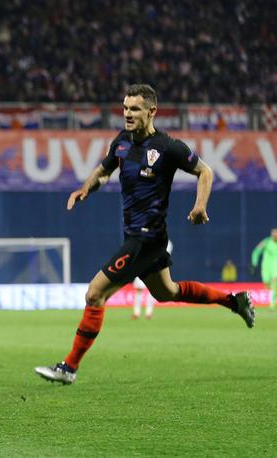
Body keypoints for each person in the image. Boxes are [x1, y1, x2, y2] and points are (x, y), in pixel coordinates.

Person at [34, 84, 255, 385]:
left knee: (95, 293)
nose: (127, 114)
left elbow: (205, 172)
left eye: (134, 109)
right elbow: (103, 170)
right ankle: (235, 301)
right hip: (138, 237)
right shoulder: (122, 143)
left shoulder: (168, 147)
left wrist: (200, 205)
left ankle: (69, 367)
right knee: (168, 292)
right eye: (125, 108)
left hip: (146, 239)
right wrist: (86, 187)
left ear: (152, 111)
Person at [132, 240, 173, 319]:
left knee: (153, 290)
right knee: (139, 289)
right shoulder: (146, 238)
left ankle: (149, 312)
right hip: (142, 267)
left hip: (156, 269)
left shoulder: (168, 243)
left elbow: (164, 257)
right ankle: (136, 312)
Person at [250, 228, 277, 311]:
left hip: (275, 267)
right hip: (266, 268)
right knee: (267, 283)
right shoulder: (266, 242)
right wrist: (254, 264)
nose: (275, 235)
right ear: (271, 234)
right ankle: (274, 294)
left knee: (275, 282)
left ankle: (272, 304)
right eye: (274, 233)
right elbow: (256, 252)